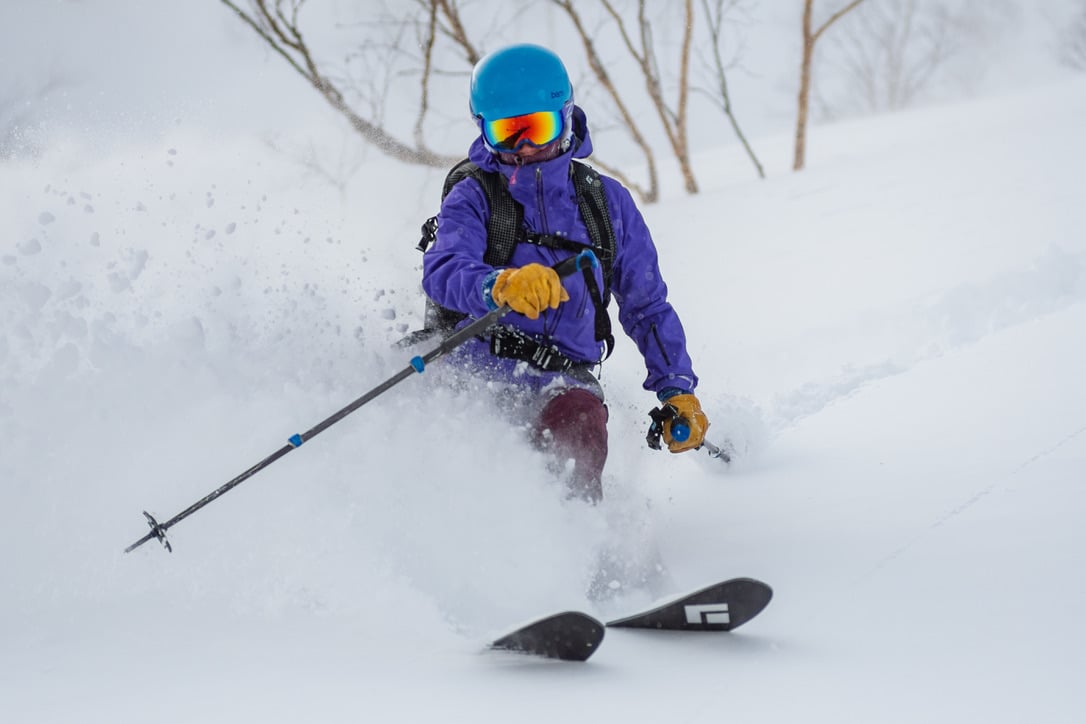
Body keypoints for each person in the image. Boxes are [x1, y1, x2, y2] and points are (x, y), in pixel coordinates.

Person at [422, 43, 708, 503]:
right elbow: (443, 268)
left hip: (562, 381)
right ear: (484, 131)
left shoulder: (606, 203)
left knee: (578, 427)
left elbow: (646, 306)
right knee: (450, 465)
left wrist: (676, 389)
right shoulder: (475, 196)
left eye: (537, 126)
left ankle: (575, 557)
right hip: (472, 369)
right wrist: (498, 284)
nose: (525, 146)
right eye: (507, 132)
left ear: (566, 116)